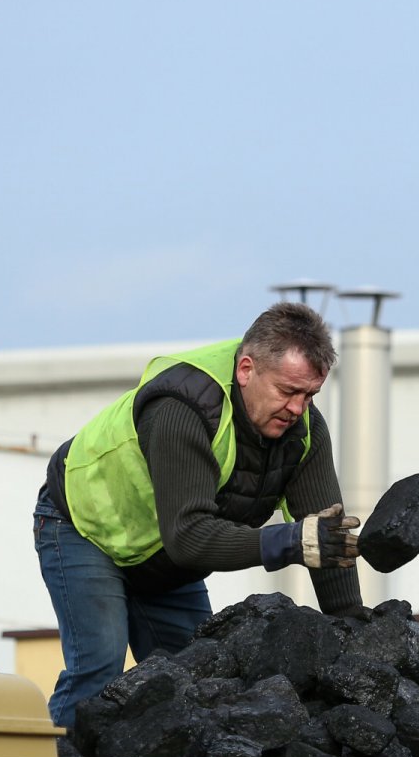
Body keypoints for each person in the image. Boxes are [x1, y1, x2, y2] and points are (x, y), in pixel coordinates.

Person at [32, 302, 363, 728]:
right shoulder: (182, 408)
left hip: (161, 555)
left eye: (309, 395)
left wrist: (351, 623)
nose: (298, 409)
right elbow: (189, 536)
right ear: (246, 369)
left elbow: (325, 530)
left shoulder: (303, 431)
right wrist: (290, 541)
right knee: (98, 671)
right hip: (82, 529)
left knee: (200, 679)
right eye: (287, 391)